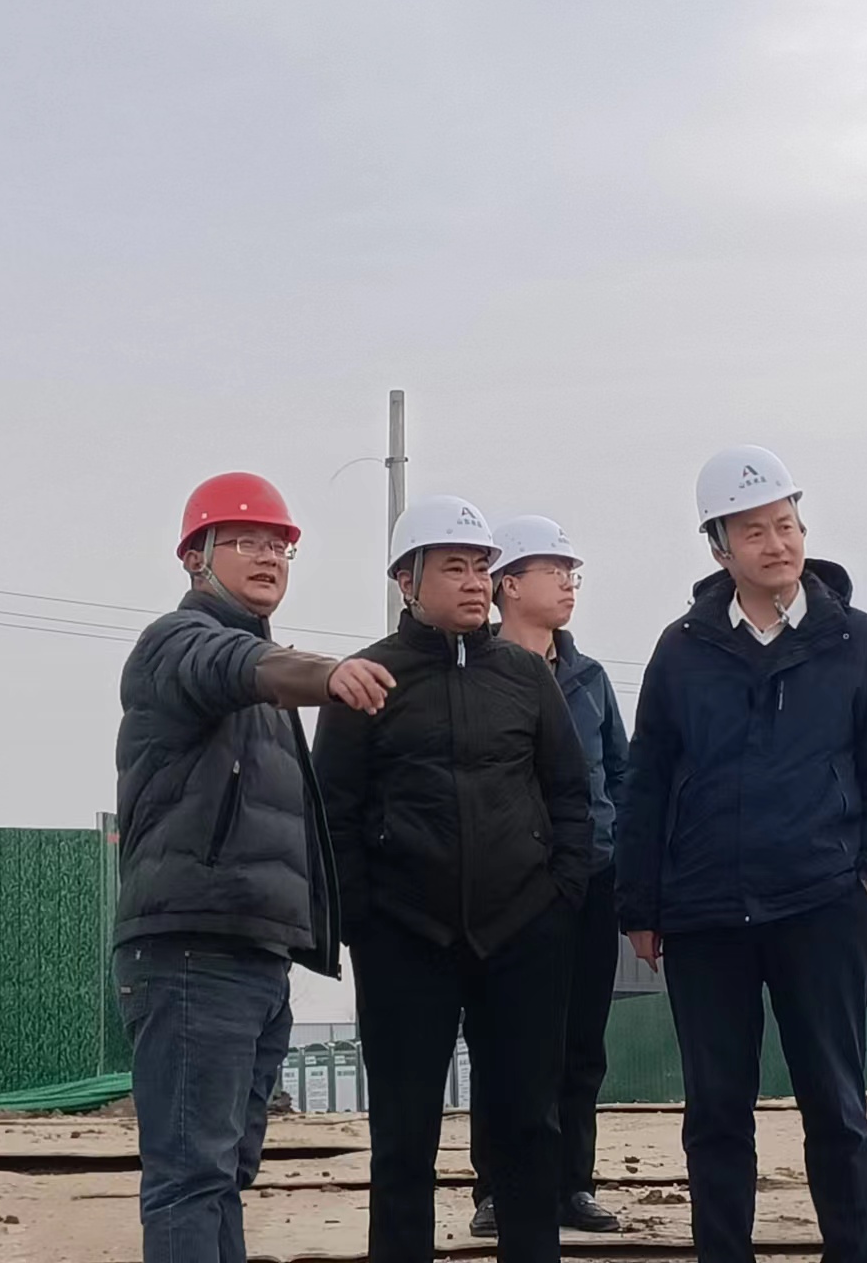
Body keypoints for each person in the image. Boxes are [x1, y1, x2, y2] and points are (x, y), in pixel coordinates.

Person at [616, 446, 867, 1263]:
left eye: (786, 525)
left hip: (822, 904)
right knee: (716, 1111)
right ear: (719, 547)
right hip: (705, 911)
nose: (777, 544)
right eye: (754, 531)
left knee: (836, 1103)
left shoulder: (857, 641)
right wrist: (640, 905)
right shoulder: (682, 650)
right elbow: (646, 780)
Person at [113, 472, 394, 1263]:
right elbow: (230, 662)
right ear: (194, 558)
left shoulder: (264, 686)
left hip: (255, 952)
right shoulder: (179, 644)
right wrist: (325, 674)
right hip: (192, 949)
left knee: (225, 1171)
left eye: (280, 546)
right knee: (191, 1174)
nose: (268, 557)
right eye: (244, 541)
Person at [313, 495, 591, 1263]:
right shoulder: (369, 679)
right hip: (406, 938)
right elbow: (333, 809)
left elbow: (570, 794)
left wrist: (560, 899)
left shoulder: (526, 677)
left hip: (523, 933)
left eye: (481, 568)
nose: (474, 583)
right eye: (454, 568)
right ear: (407, 580)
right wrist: (363, 919)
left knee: (528, 1126)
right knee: (404, 1135)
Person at [468, 516, 628, 1239]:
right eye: (553, 571)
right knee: (503, 1042)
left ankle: (572, 1185)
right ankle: (497, 1189)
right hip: (509, 888)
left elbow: (620, 774)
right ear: (509, 584)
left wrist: (616, 854)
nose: (568, 584)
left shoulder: (590, 679)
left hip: (590, 880)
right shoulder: (475, 671)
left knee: (581, 1044)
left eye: (572, 572)